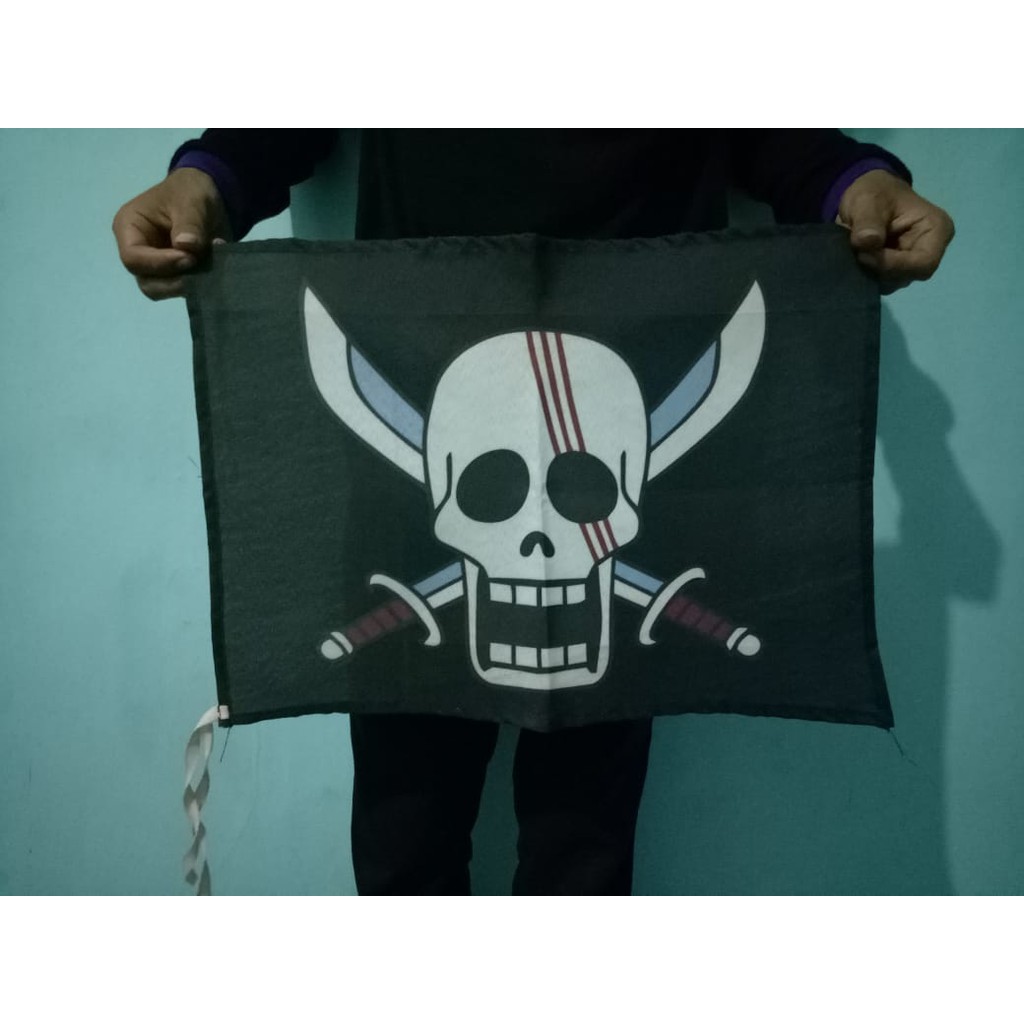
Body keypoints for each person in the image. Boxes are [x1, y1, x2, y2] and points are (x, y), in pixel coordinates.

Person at [113, 130, 954, 896]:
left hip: (630, 383)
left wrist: (854, 180)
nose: (537, 540)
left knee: (583, 852)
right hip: (415, 404)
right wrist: (208, 179)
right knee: (404, 836)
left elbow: (769, 128)